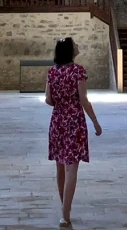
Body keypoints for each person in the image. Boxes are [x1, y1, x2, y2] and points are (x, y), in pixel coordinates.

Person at [45, 37, 101, 228]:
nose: (78, 46)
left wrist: (61, 103)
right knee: (71, 169)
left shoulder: (52, 72)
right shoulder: (78, 71)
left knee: (60, 168)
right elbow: (83, 99)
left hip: (57, 121)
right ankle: (65, 215)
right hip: (74, 122)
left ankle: (64, 210)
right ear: (70, 50)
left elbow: (48, 100)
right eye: (75, 44)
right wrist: (95, 121)